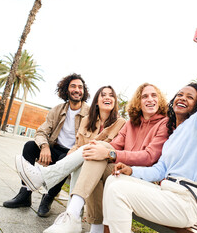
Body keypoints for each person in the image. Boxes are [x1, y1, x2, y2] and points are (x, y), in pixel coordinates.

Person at [102, 36, 197, 232]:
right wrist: (131, 171)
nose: (182, 98)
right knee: (114, 180)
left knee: (118, 190)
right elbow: (159, 170)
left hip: (184, 202)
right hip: (167, 194)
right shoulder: (172, 138)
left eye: (190, 97)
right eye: (180, 95)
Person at [39, 83, 170, 233]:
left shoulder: (164, 123)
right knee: (97, 153)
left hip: (142, 178)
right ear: (138, 101)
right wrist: (100, 148)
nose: (150, 99)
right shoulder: (130, 123)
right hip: (122, 171)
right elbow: (114, 145)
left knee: (99, 154)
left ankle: (75, 214)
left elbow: (149, 157)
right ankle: (77, 216)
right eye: (145, 96)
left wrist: (109, 154)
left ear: (159, 100)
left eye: (154, 95)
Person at [15, 85, 126, 201]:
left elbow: (116, 149)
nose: (107, 97)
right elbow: (77, 145)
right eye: (103, 95)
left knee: (85, 153)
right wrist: (61, 153)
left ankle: (45, 185)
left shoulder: (121, 123)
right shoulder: (85, 119)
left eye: (111, 95)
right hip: (77, 156)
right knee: (33, 147)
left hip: (101, 161)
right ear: (97, 101)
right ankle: (27, 195)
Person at [3, 73, 90, 217]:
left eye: (80, 87)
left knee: (64, 159)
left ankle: (48, 198)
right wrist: (44, 147)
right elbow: (41, 131)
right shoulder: (58, 110)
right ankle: (25, 194)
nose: (77, 90)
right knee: (30, 147)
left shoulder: (90, 113)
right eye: (73, 86)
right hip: (55, 148)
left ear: (84, 91)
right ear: (66, 90)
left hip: (72, 153)